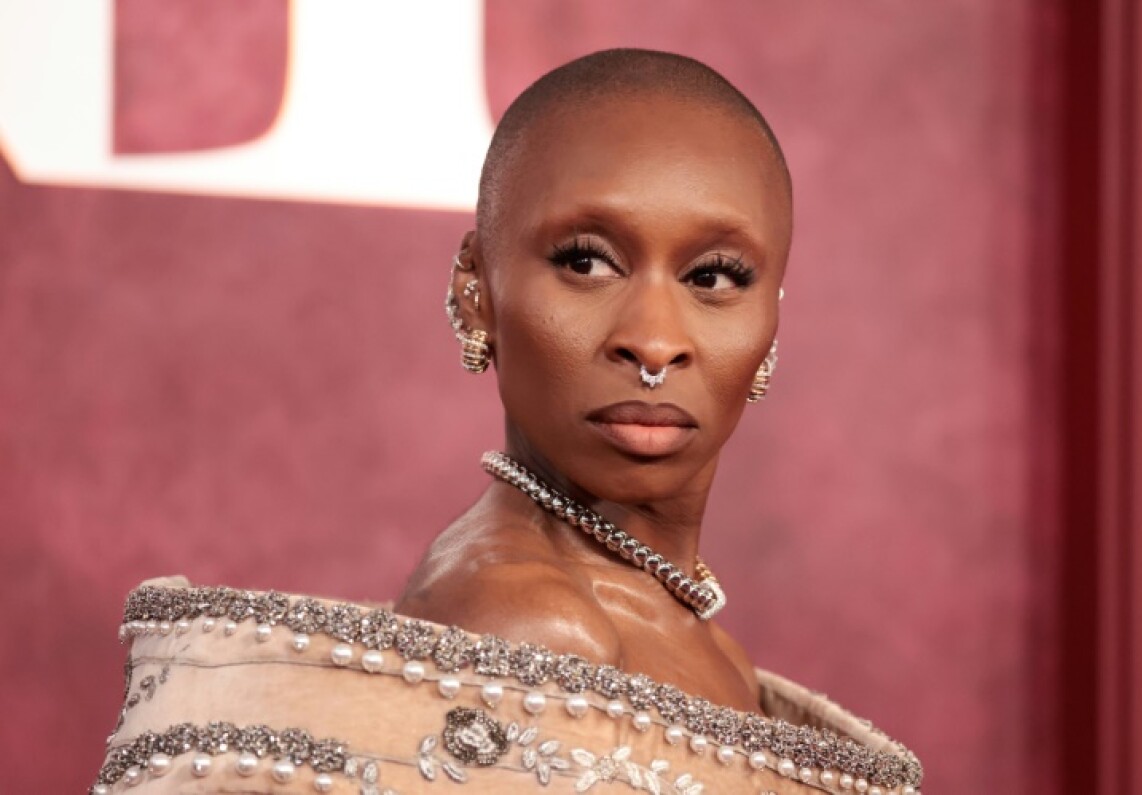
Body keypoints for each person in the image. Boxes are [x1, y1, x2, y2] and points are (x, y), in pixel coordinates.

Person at [93, 49, 923, 794]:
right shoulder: (537, 622)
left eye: (714, 275)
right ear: (475, 290)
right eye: (586, 261)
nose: (656, 341)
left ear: (774, 318)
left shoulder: (686, 633)